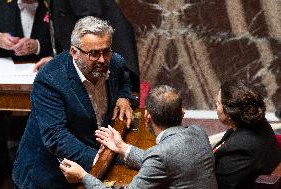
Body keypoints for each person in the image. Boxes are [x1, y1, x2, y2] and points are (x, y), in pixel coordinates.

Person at [13, 16, 137, 189]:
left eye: (106, 51)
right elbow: (56, 136)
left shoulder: (115, 62)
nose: (102, 60)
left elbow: (124, 81)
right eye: (94, 53)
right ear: (74, 52)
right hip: (48, 175)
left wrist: (124, 98)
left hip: (88, 171)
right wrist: (101, 161)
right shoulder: (49, 80)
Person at [59, 85, 218, 189]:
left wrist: (83, 176)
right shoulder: (199, 132)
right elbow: (167, 161)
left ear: (147, 117)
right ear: (182, 112)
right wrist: (122, 147)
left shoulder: (161, 156)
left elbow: (161, 160)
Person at [35, 0, 139, 91]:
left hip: (109, 63)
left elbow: (92, 26)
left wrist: (64, 61)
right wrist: (58, 58)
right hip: (99, 62)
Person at [213, 80, 281, 189]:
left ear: (230, 113)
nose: (216, 104)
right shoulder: (259, 122)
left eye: (219, 103)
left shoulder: (237, 150)